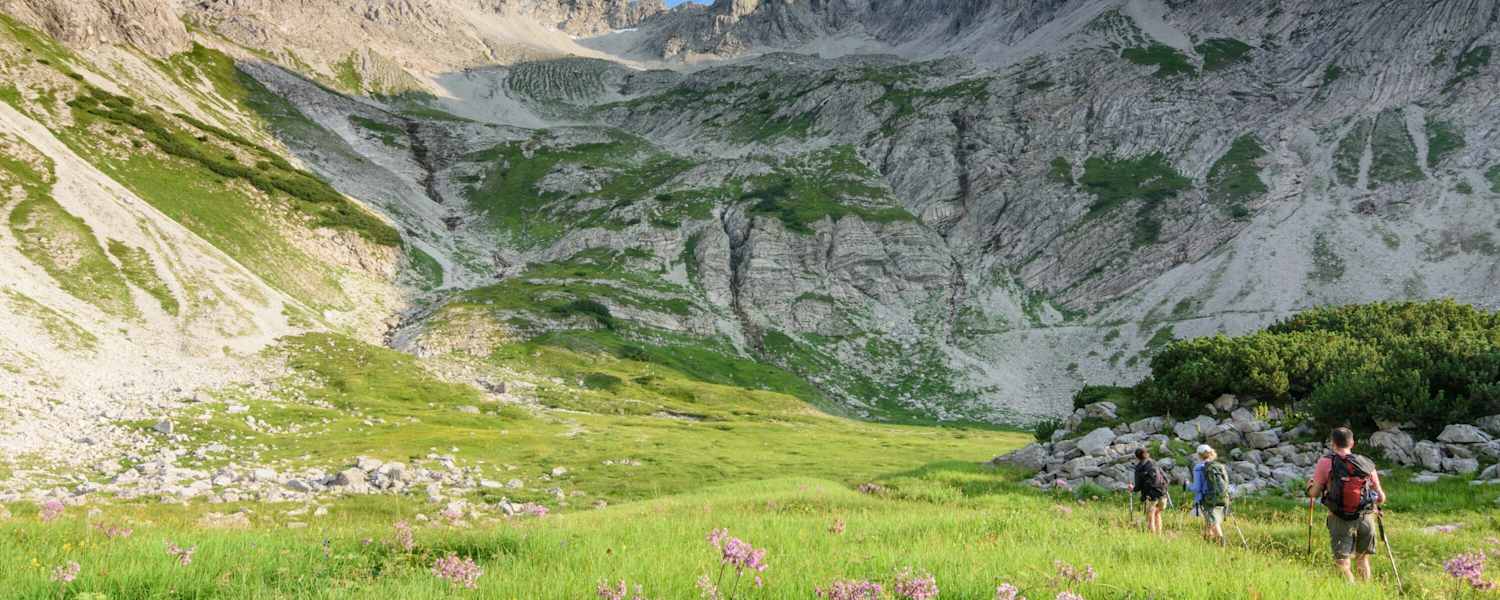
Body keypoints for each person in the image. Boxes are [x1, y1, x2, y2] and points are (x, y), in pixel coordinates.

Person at [1307, 426, 1387, 583]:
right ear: (1352, 443)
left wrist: (1308, 486)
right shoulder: (1365, 464)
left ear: (1333, 444)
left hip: (1339, 518)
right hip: (1365, 518)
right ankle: (1365, 593)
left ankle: (1352, 593)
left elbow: (1314, 493)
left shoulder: (1326, 462)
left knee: (1342, 563)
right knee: (1363, 559)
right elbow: (1381, 498)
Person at [1190, 444, 1228, 544]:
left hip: (1207, 499)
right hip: (1221, 497)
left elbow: (1197, 487)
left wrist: (1188, 485)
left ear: (1199, 455)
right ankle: (1208, 544)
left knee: (1213, 523)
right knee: (1209, 522)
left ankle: (1221, 544)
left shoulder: (1199, 467)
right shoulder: (1218, 466)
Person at [1130, 447, 1168, 534]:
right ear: (1147, 454)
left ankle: (1153, 537)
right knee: (1157, 513)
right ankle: (1159, 535)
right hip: (1162, 493)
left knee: (1150, 516)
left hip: (1150, 496)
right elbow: (1166, 478)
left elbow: (1138, 486)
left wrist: (1132, 489)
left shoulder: (1139, 468)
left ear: (1137, 457)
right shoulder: (1154, 463)